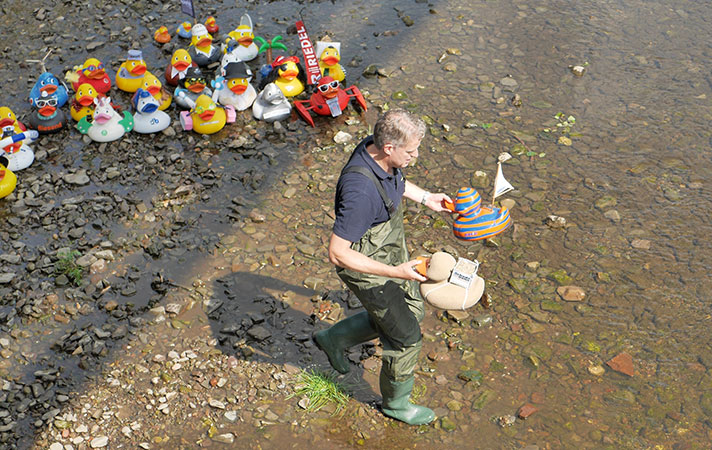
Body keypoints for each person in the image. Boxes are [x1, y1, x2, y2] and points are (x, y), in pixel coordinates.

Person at [313, 109, 452, 425]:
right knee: (406, 338)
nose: (415, 157)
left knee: (412, 311)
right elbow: (337, 253)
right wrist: (397, 272)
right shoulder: (360, 191)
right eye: (411, 151)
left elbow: (393, 183)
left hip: (390, 251)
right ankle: (395, 405)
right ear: (389, 147)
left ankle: (334, 339)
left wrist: (426, 197)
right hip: (366, 264)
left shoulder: (375, 149)